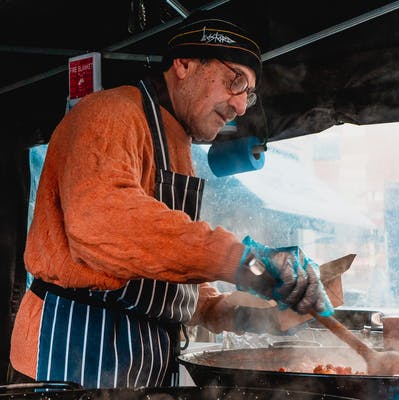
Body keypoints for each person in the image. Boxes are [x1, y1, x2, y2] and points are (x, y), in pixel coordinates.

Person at [9, 12, 334, 389]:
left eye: (248, 94)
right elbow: (105, 225)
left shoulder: (179, 144)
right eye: (235, 82)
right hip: (73, 353)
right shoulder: (108, 114)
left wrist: (253, 310)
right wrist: (244, 261)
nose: (242, 107)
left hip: (142, 364)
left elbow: (166, 274)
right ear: (184, 64)